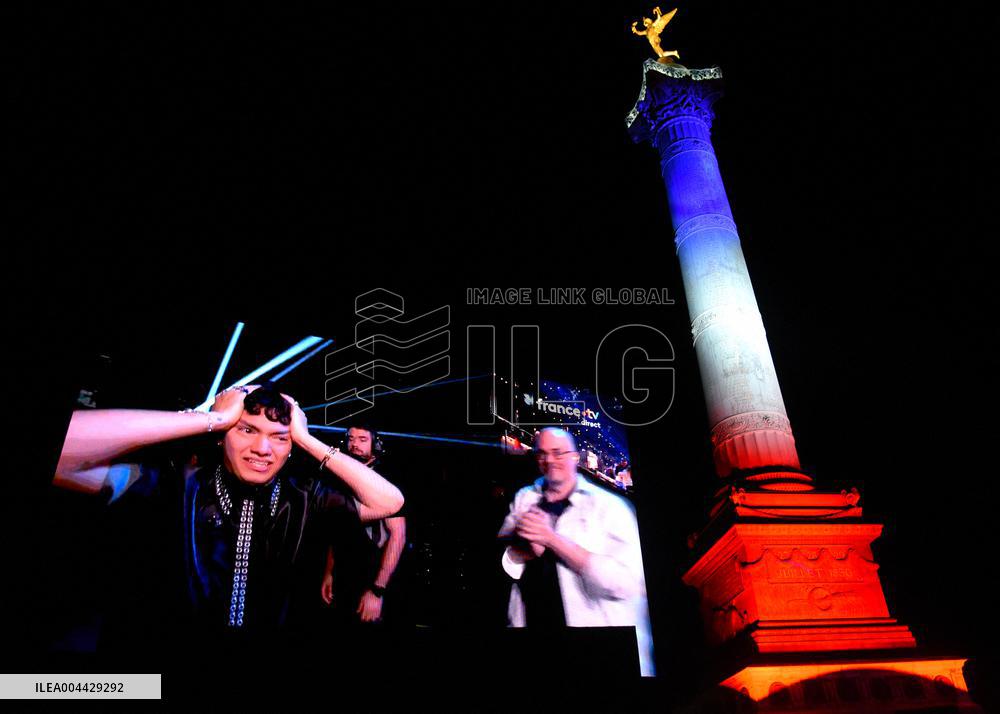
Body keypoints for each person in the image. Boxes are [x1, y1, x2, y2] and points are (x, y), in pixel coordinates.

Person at [52, 382, 404, 648]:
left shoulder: (306, 498)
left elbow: (389, 502)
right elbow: (65, 455)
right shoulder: (176, 486)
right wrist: (212, 418)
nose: (262, 449)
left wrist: (306, 438)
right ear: (222, 436)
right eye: (247, 430)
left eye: (279, 438)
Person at [497, 427, 655, 676]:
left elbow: (632, 584)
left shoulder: (610, 507)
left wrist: (553, 540)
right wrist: (525, 550)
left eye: (557, 452)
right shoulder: (524, 498)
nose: (549, 460)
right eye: (542, 454)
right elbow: (502, 558)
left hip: (600, 655)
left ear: (574, 457)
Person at [320, 424, 406, 624]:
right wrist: (329, 572)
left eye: (362, 439)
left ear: (376, 443)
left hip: (372, 574)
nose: (354, 444)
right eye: (351, 438)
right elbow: (338, 529)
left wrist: (377, 590)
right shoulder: (342, 476)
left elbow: (398, 535)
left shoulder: (386, 477)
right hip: (344, 574)